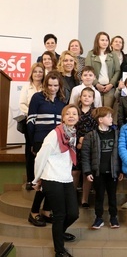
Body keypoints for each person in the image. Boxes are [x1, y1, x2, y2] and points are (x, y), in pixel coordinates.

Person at [32, 104, 80, 257]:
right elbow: (40, 157)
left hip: (65, 178)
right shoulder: (55, 134)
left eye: (74, 114)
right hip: (51, 177)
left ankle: (60, 233)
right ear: (63, 117)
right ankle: (59, 250)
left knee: (73, 213)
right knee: (60, 215)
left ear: (78, 118)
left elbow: (67, 158)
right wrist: (36, 179)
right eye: (68, 114)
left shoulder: (72, 133)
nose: (71, 116)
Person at [27, 71, 67, 228]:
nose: (52, 88)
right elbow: (30, 122)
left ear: (60, 85)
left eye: (55, 85)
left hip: (57, 143)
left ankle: (46, 210)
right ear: (45, 84)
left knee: (53, 178)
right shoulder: (37, 98)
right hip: (40, 142)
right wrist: (32, 143)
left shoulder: (62, 100)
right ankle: (34, 211)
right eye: (49, 85)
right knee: (44, 178)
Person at [81, 106, 123, 229]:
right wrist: (87, 171)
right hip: (98, 171)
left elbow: (120, 153)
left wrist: (120, 169)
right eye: (108, 116)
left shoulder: (116, 133)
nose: (111, 119)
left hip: (113, 171)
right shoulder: (91, 135)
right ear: (100, 119)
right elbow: (85, 155)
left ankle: (113, 217)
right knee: (99, 195)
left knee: (112, 195)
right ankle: (98, 218)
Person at [20, 63, 44, 191]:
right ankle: (30, 179)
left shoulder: (45, 87)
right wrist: (33, 112)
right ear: (31, 73)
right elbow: (22, 104)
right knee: (30, 152)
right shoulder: (26, 87)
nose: (38, 74)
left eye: (40, 72)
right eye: (35, 71)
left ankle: (40, 179)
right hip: (29, 122)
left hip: (42, 123)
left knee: (41, 152)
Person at [73, 88, 98, 208]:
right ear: (80, 97)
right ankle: (71, 198)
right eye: (84, 95)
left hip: (90, 148)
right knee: (75, 172)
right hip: (75, 146)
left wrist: (85, 142)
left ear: (93, 99)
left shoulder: (95, 113)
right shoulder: (75, 111)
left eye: (89, 96)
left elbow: (96, 131)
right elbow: (72, 128)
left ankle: (85, 199)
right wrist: (78, 140)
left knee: (86, 173)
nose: (86, 98)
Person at [85, 31, 121, 108]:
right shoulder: (90, 54)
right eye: (102, 40)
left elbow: (117, 70)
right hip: (95, 87)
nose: (105, 42)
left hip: (109, 88)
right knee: (96, 110)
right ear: (97, 41)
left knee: (108, 111)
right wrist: (96, 84)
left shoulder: (113, 54)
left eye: (106, 40)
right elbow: (88, 70)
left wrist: (111, 84)